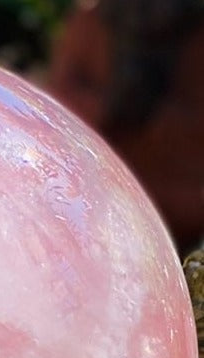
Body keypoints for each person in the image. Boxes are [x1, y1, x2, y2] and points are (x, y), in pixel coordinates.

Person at [46, 0, 204, 253]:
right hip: (95, 213)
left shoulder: (195, 42)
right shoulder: (92, 22)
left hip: (173, 229)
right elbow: (57, 113)